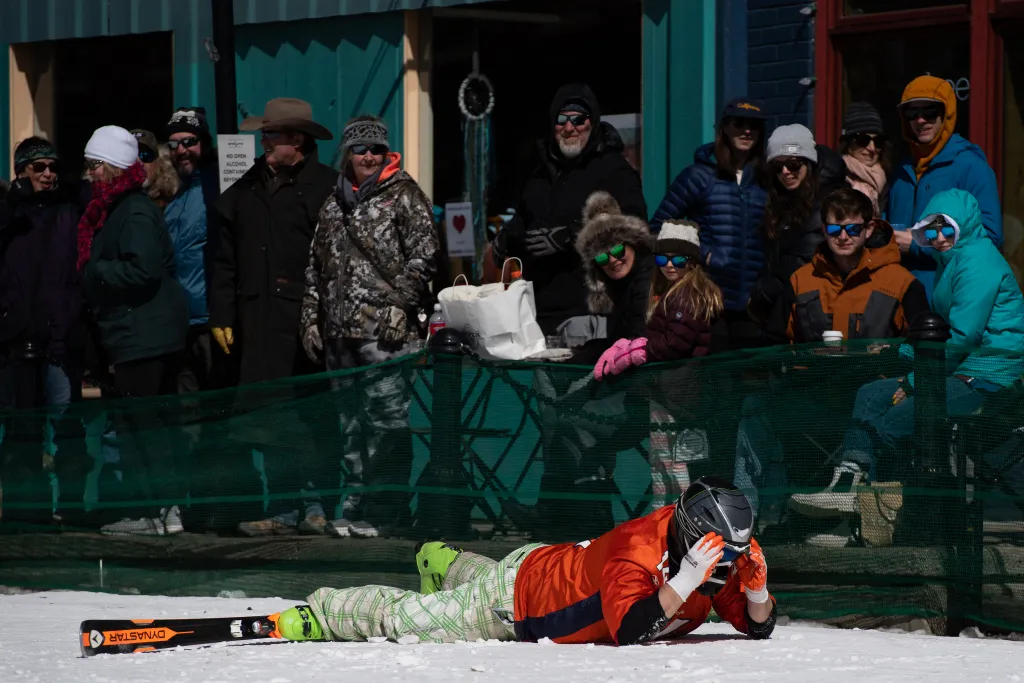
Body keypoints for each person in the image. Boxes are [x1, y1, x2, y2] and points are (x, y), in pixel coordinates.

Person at [262, 477, 776, 646]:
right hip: (520, 600)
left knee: (483, 580)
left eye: (735, 555)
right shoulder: (638, 553)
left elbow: (757, 627)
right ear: (691, 539)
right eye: (719, 556)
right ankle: (322, 614)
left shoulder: (721, 556)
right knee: (406, 622)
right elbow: (633, 631)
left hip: (552, 565)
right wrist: (687, 581)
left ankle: (443, 561)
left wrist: (756, 593)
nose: (726, 568)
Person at [789, 189, 1024, 519]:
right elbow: (938, 334)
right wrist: (896, 354)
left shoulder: (977, 262)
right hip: (958, 368)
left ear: (965, 226)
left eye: (946, 228)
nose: (939, 237)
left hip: (989, 375)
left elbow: (960, 338)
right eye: (931, 229)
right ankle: (845, 489)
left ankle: (878, 511)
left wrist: (914, 380)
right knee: (870, 394)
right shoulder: (951, 260)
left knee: (896, 420)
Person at [734, 187, 929, 531]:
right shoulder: (801, 279)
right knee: (754, 407)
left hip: (870, 400)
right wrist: (791, 357)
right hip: (813, 392)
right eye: (834, 228)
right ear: (823, 230)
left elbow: (921, 346)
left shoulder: (901, 281)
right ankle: (745, 521)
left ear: (869, 229)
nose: (843, 236)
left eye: (852, 228)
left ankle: (860, 517)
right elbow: (776, 341)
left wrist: (886, 356)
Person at [301, 115, 439, 538]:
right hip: (339, 335)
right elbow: (315, 266)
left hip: (385, 334)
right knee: (351, 427)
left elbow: (426, 255)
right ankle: (356, 506)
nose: (368, 156)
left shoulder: (404, 195)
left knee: (387, 426)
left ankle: (387, 512)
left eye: (376, 149)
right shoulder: (332, 202)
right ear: (347, 153)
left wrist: (402, 305)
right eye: (360, 149)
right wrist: (310, 317)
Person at [211, 98, 338, 536]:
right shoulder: (245, 189)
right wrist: (222, 314)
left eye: (271, 135)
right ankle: (282, 505)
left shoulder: (327, 188)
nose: (262, 143)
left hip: (306, 325)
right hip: (255, 322)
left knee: (313, 418)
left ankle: (318, 503)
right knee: (268, 420)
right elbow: (223, 259)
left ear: (297, 141)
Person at [77, 126, 190, 536]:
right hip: (135, 333)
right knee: (142, 425)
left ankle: (159, 510)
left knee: (145, 426)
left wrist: (94, 271)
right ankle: (157, 508)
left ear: (113, 167)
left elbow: (143, 269)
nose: (90, 175)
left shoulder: (135, 210)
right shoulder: (118, 209)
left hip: (145, 335)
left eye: (95, 166)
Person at [496, 83, 647, 340]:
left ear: (593, 122)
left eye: (578, 119)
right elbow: (525, 219)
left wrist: (572, 237)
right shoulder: (540, 172)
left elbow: (635, 227)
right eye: (561, 120)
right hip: (536, 314)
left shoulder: (612, 168)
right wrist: (509, 238)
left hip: (588, 313)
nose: (569, 128)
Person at [593, 220, 723, 507]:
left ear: (692, 262)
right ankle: (663, 513)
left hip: (676, 394)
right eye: (663, 258)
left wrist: (639, 350)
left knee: (674, 462)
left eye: (678, 259)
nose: (670, 265)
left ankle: (681, 515)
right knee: (662, 460)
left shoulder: (687, 295)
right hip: (668, 393)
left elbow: (674, 344)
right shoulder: (671, 292)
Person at [0, 137, 86, 524]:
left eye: (53, 167)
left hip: (59, 337)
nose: (48, 174)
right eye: (39, 168)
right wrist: (10, 201)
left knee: (67, 426)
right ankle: (25, 512)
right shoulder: (8, 212)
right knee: (20, 431)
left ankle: (72, 507)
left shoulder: (69, 208)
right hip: (15, 339)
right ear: (21, 172)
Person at [649, 98, 769, 351]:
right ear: (724, 128)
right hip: (708, 303)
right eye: (738, 123)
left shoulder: (765, 182)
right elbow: (657, 227)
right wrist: (704, 253)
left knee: (749, 383)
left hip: (752, 306)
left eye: (754, 126)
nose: (747, 131)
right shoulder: (699, 176)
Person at [888, 75, 1002, 299]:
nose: (921, 120)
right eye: (912, 113)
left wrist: (918, 243)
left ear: (946, 114)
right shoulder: (901, 170)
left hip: (949, 301)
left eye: (929, 112)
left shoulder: (970, 167)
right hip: (898, 301)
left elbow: (989, 239)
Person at [747, 124, 847, 344]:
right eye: (778, 167)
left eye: (793, 165)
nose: (785, 173)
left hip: (819, 312)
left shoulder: (831, 201)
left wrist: (771, 285)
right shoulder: (778, 201)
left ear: (809, 164)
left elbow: (811, 261)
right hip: (783, 313)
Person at [164, 107, 222, 393]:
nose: (181, 150)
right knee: (188, 415)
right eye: (174, 144)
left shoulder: (219, 190)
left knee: (218, 410)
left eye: (189, 141)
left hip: (211, 323)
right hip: (181, 324)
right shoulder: (177, 197)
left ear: (205, 143)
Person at [839, 102, 889, 215]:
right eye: (863, 140)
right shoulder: (835, 179)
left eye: (878, 141)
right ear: (848, 143)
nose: (872, 148)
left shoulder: (890, 180)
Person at [130, 129, 179, 209]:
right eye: (131, 157)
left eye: (145, 155)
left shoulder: (173, 205)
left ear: (159, 162)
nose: (139, 163)